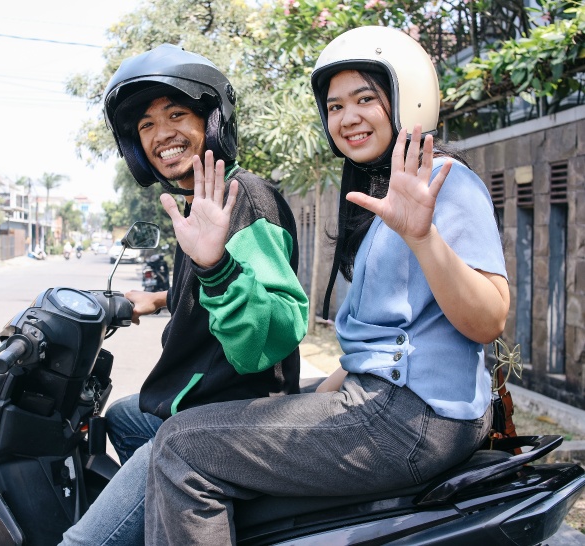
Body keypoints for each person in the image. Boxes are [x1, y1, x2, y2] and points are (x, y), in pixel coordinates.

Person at [144, 25, 510, 545]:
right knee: (219, 422)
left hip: (412, 418)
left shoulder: (443, 181)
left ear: (409, 98)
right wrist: (290, 406)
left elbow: (490, 319)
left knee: (183, 446)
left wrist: (425, 238)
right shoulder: (379, 196)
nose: (348, 118)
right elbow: (377, 346)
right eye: (335, 107)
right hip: (391, 403)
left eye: (365, 99)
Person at [59, 44, 309, 545]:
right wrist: (156, 300)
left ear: (212, 122)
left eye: (176, 114)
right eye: (146, 125)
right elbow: (212, 293)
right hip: (201, 400)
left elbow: (275, 328)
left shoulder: (244, 201)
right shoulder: (201, 201)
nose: (160, 135)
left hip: (229, 414)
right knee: (127, 415)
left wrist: (214, 266)